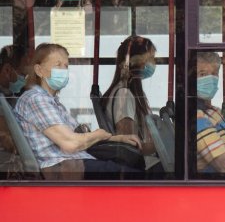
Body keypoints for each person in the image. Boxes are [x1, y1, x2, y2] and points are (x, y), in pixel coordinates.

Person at [14, 43, 143, 180]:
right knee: (139, 179)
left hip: (76, 163)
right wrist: (97, 135)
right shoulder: (36, 100)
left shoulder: (52, 101)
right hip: (62, 169)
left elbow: (79, 134)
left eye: (66, 66)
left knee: (133, 164)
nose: (63, 70)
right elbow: (70, 143)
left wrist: (118, 138)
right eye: (58, 65)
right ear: (39, 70)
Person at [102, 36, 162, 175]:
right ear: (138, 61)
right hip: (144, 167)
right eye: (151, 58)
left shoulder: (129, 92)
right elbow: (130, 144)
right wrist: (162, 145)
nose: (155, 63)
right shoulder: (124, 95)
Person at [0, 44, 30, 179]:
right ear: (7, 70)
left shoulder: (10, 96)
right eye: (23, 74)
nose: (24, 79)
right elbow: (7, 139)